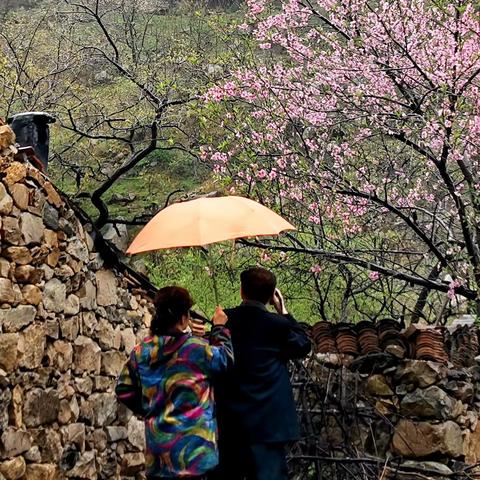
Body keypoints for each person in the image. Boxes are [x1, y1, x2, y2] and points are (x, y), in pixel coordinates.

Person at [115, 286, 234, 480]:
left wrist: (150, 408)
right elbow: (225, 360)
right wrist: (219, 327)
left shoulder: (141, 352)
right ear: (183, 317)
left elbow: (124, 390)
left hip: (159, 454)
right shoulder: (198, 350)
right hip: (196, 455)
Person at [211, 267, 311, 480]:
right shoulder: (278, 325)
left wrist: (216, 327)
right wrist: (283, 311)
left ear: (241, 291)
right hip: (269, 426)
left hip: (230, 423)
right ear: (271, 295)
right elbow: (303, 344)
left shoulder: (224, 321)